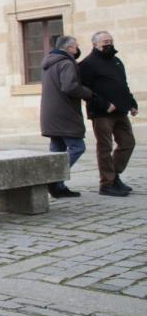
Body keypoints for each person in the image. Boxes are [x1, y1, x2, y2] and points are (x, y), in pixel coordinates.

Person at [39, 35, 101, 198]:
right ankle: (53, 179)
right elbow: (70, 87)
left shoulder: (49, 62)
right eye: (76, 47)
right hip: (64, 113)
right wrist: (89, 93)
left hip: (51, 114)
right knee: (77, 147)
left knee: (57, 150)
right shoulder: (66, 63)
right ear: (68, 48)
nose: (77, 49)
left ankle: (58, 187)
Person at [79, 31, 137, 197]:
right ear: (95, 44)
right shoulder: (87, 64)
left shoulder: (117, 61)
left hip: (121, 111)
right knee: (105, 147)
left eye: (110, 40)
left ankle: (113, 176)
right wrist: (104, 104)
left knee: (128, 143)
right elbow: (84, 90)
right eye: (105, 41)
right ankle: (106, 184)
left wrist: (132, 103)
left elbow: (123, 85)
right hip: (101, 113)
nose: (109, 43)